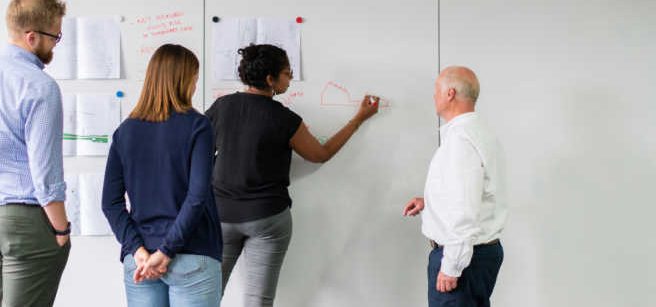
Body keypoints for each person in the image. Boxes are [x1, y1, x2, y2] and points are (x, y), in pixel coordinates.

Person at [205, 43, 380, 306]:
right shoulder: (285, 119)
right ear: (270, 79)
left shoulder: (221, 107)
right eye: (287, 73)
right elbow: (320, 154)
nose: (291, 78)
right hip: (266, 218)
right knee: (258, 301)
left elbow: (201, 153)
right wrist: (357, 119)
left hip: (220, 216)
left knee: (206, 297)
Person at [0, 0, 71, 307]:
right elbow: (45, 168)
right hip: (24, 220)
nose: (55, 45)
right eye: (54, 37)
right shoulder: (39, 85)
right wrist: (61, 228)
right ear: (32, 37)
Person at [102, 44, 223, 307]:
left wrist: (139, 250)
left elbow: (110, 203)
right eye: (194, 78)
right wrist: (166, 251)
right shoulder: (198, 126)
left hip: (141, 260)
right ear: (184, 80)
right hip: (192, 253)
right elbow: (196, 197)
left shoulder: (126, 131)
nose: (194, 86)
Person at [403, 66, 508, 307]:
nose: (433, 95)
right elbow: (473, 193)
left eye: (436, 90)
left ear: (450, 93)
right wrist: (429, 203)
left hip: (463, 259)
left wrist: (452, 266)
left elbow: (464, 211)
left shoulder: (460, 140)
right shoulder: (479, 132)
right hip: (478, 254)